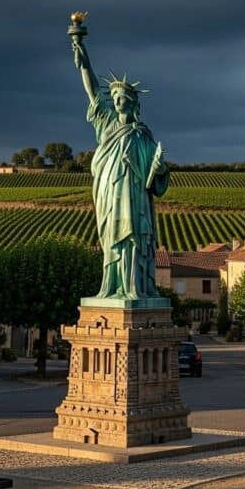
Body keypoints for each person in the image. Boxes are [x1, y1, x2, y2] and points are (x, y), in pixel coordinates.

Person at [71, 30, 169, 300]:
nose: (117, 100)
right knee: (112, 239)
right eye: (114, 97)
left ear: (134, 102)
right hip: (108, 193)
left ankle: (134, 287)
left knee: (133, 237)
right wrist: (82, 53)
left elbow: (156, 177)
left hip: (135, 195)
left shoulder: (142, 134)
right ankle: (112, 287)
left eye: (123, 97)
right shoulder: (105, 123)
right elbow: (91, 88)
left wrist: (159, 169)